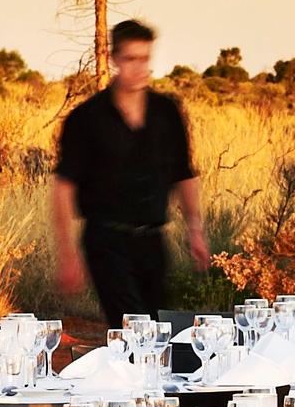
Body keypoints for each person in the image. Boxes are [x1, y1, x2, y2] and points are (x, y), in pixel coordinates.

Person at [51, 19, 206, 324]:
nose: (139, 68)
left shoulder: (167, 112)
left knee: (159, 329)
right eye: (130, 59)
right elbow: (63, 188)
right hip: (106, 241)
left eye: (145, 58)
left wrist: (195, 230)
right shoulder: (86, 118)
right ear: (114, 59)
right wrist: (66, 254)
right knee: (133, 326)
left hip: (152, 240)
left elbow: (183, 174)